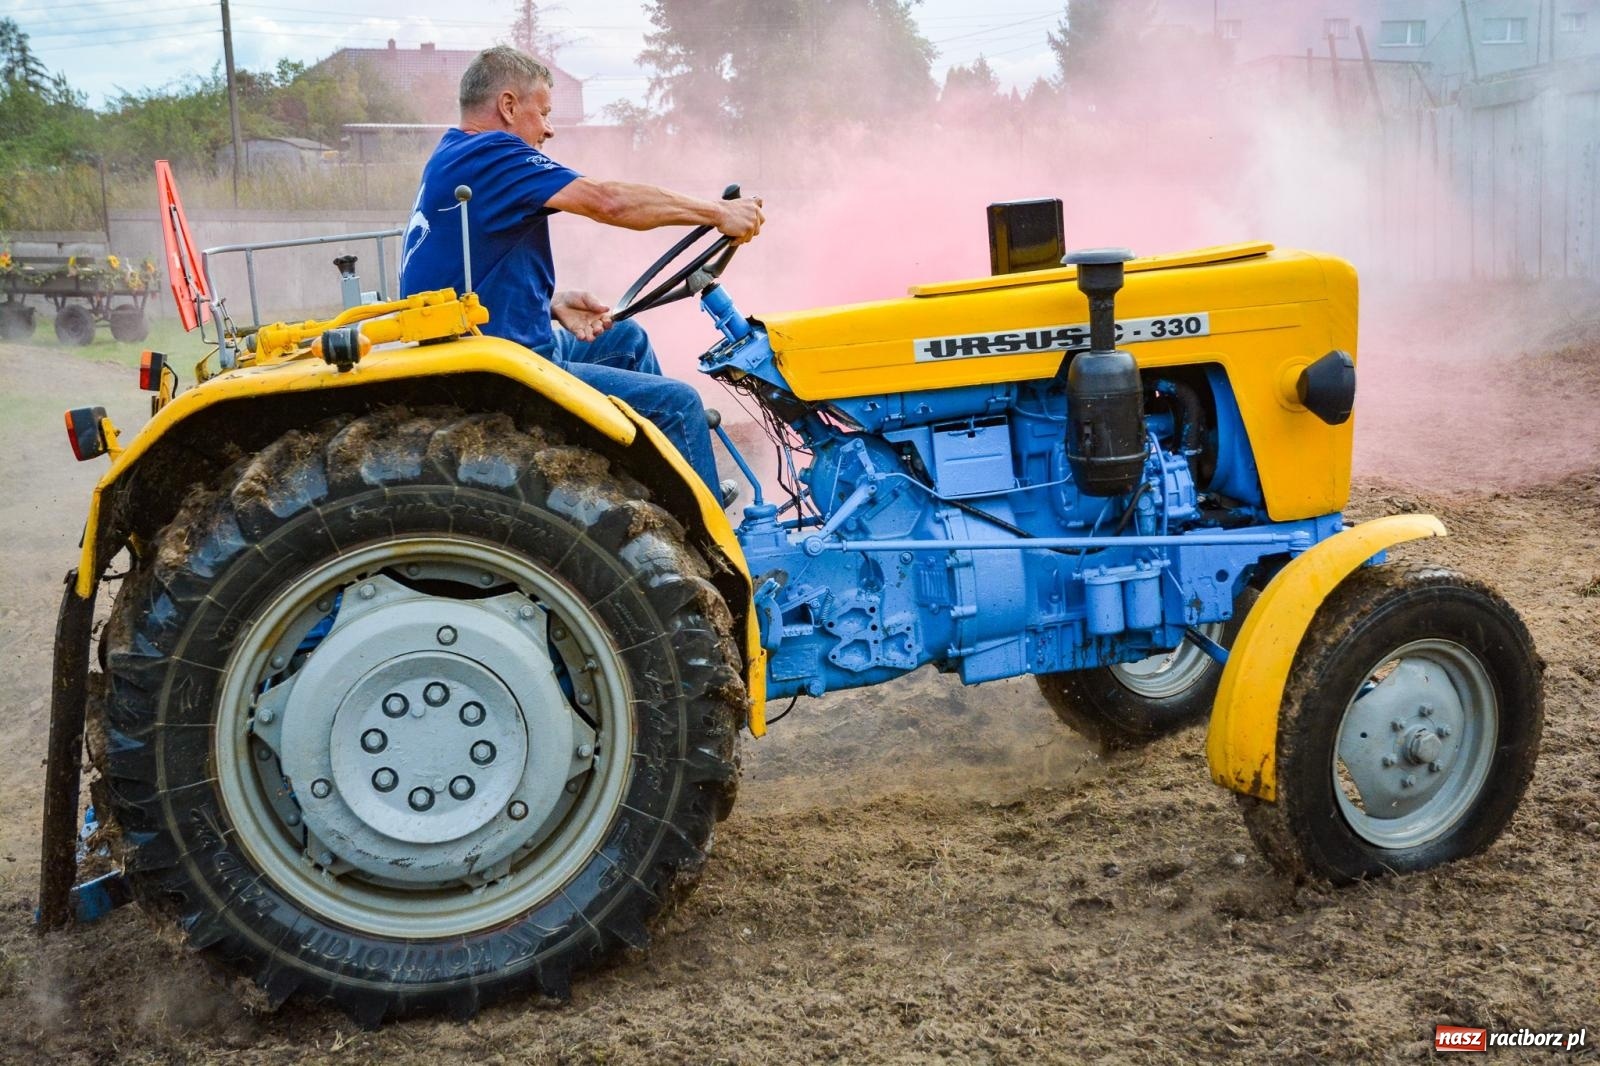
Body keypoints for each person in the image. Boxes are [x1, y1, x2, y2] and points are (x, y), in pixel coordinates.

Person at [398, 45, 765, 502]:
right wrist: (716, 212)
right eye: (545, 112)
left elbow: (457, 273)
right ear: (509, 106)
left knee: (626, 338)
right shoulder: (493, 153)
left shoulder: (454, 154)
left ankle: (648, 486)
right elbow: (607, 201)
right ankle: (707, 541)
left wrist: (548, 305)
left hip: (490, 347)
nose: (549, 129)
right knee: (679, 405)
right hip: (504, 372)